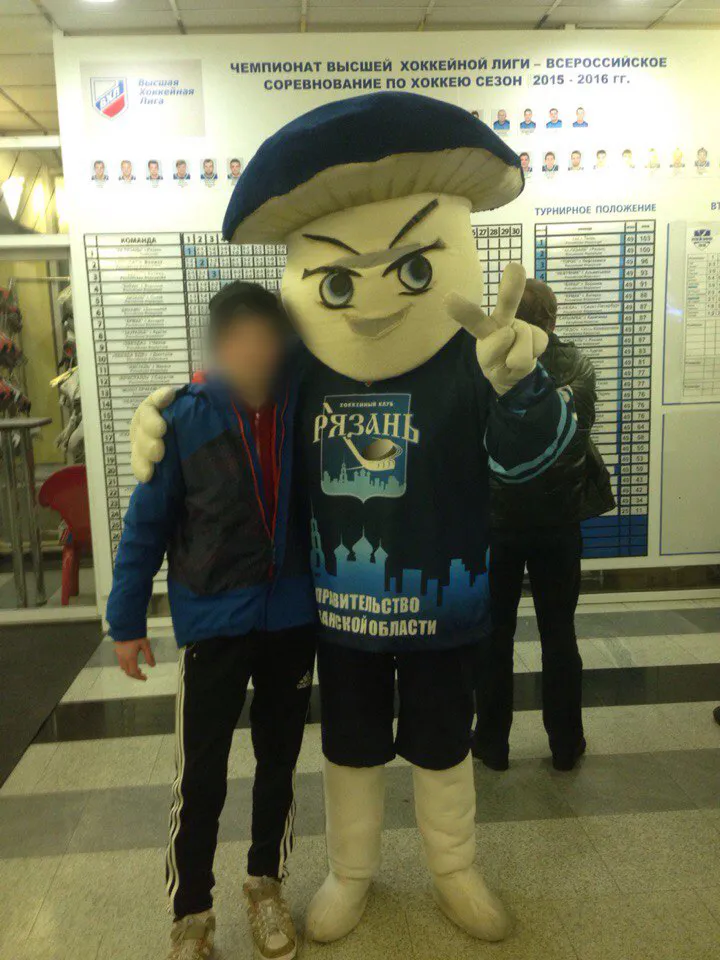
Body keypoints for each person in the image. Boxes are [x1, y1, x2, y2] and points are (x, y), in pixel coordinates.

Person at [129, 92, 578, 947]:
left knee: (445, 744)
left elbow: (534, 460)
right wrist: (169, 409)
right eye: (336, 279)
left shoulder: (471, 357)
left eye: (411, 267)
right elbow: (232, 403)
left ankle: (454, 867)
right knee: (350, 747)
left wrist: (522, 387)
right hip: (338, 613)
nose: (369, 301)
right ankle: (352, 871)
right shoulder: (305, 371)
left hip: (444, 605)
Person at [107, 282, 317, 960]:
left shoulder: (303, 405)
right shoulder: (185, 419)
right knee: (199, 777)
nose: (255, 353)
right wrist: (126, 621)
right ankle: (191, 916)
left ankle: (265, 884)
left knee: (279, 763)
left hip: (291, 620)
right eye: (240, 340)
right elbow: (145, 528)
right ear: (219, 347)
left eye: (267, 339)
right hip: (213, 625)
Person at [473, 278, 614, 773]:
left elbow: (474, 435)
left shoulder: (484, 364)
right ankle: (565, 744)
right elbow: (581, 426)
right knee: (559, 632)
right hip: (558, 523)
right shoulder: (576, 363)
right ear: (552, 319)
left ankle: (492, 743)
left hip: (498, 522)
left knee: (495, 634)